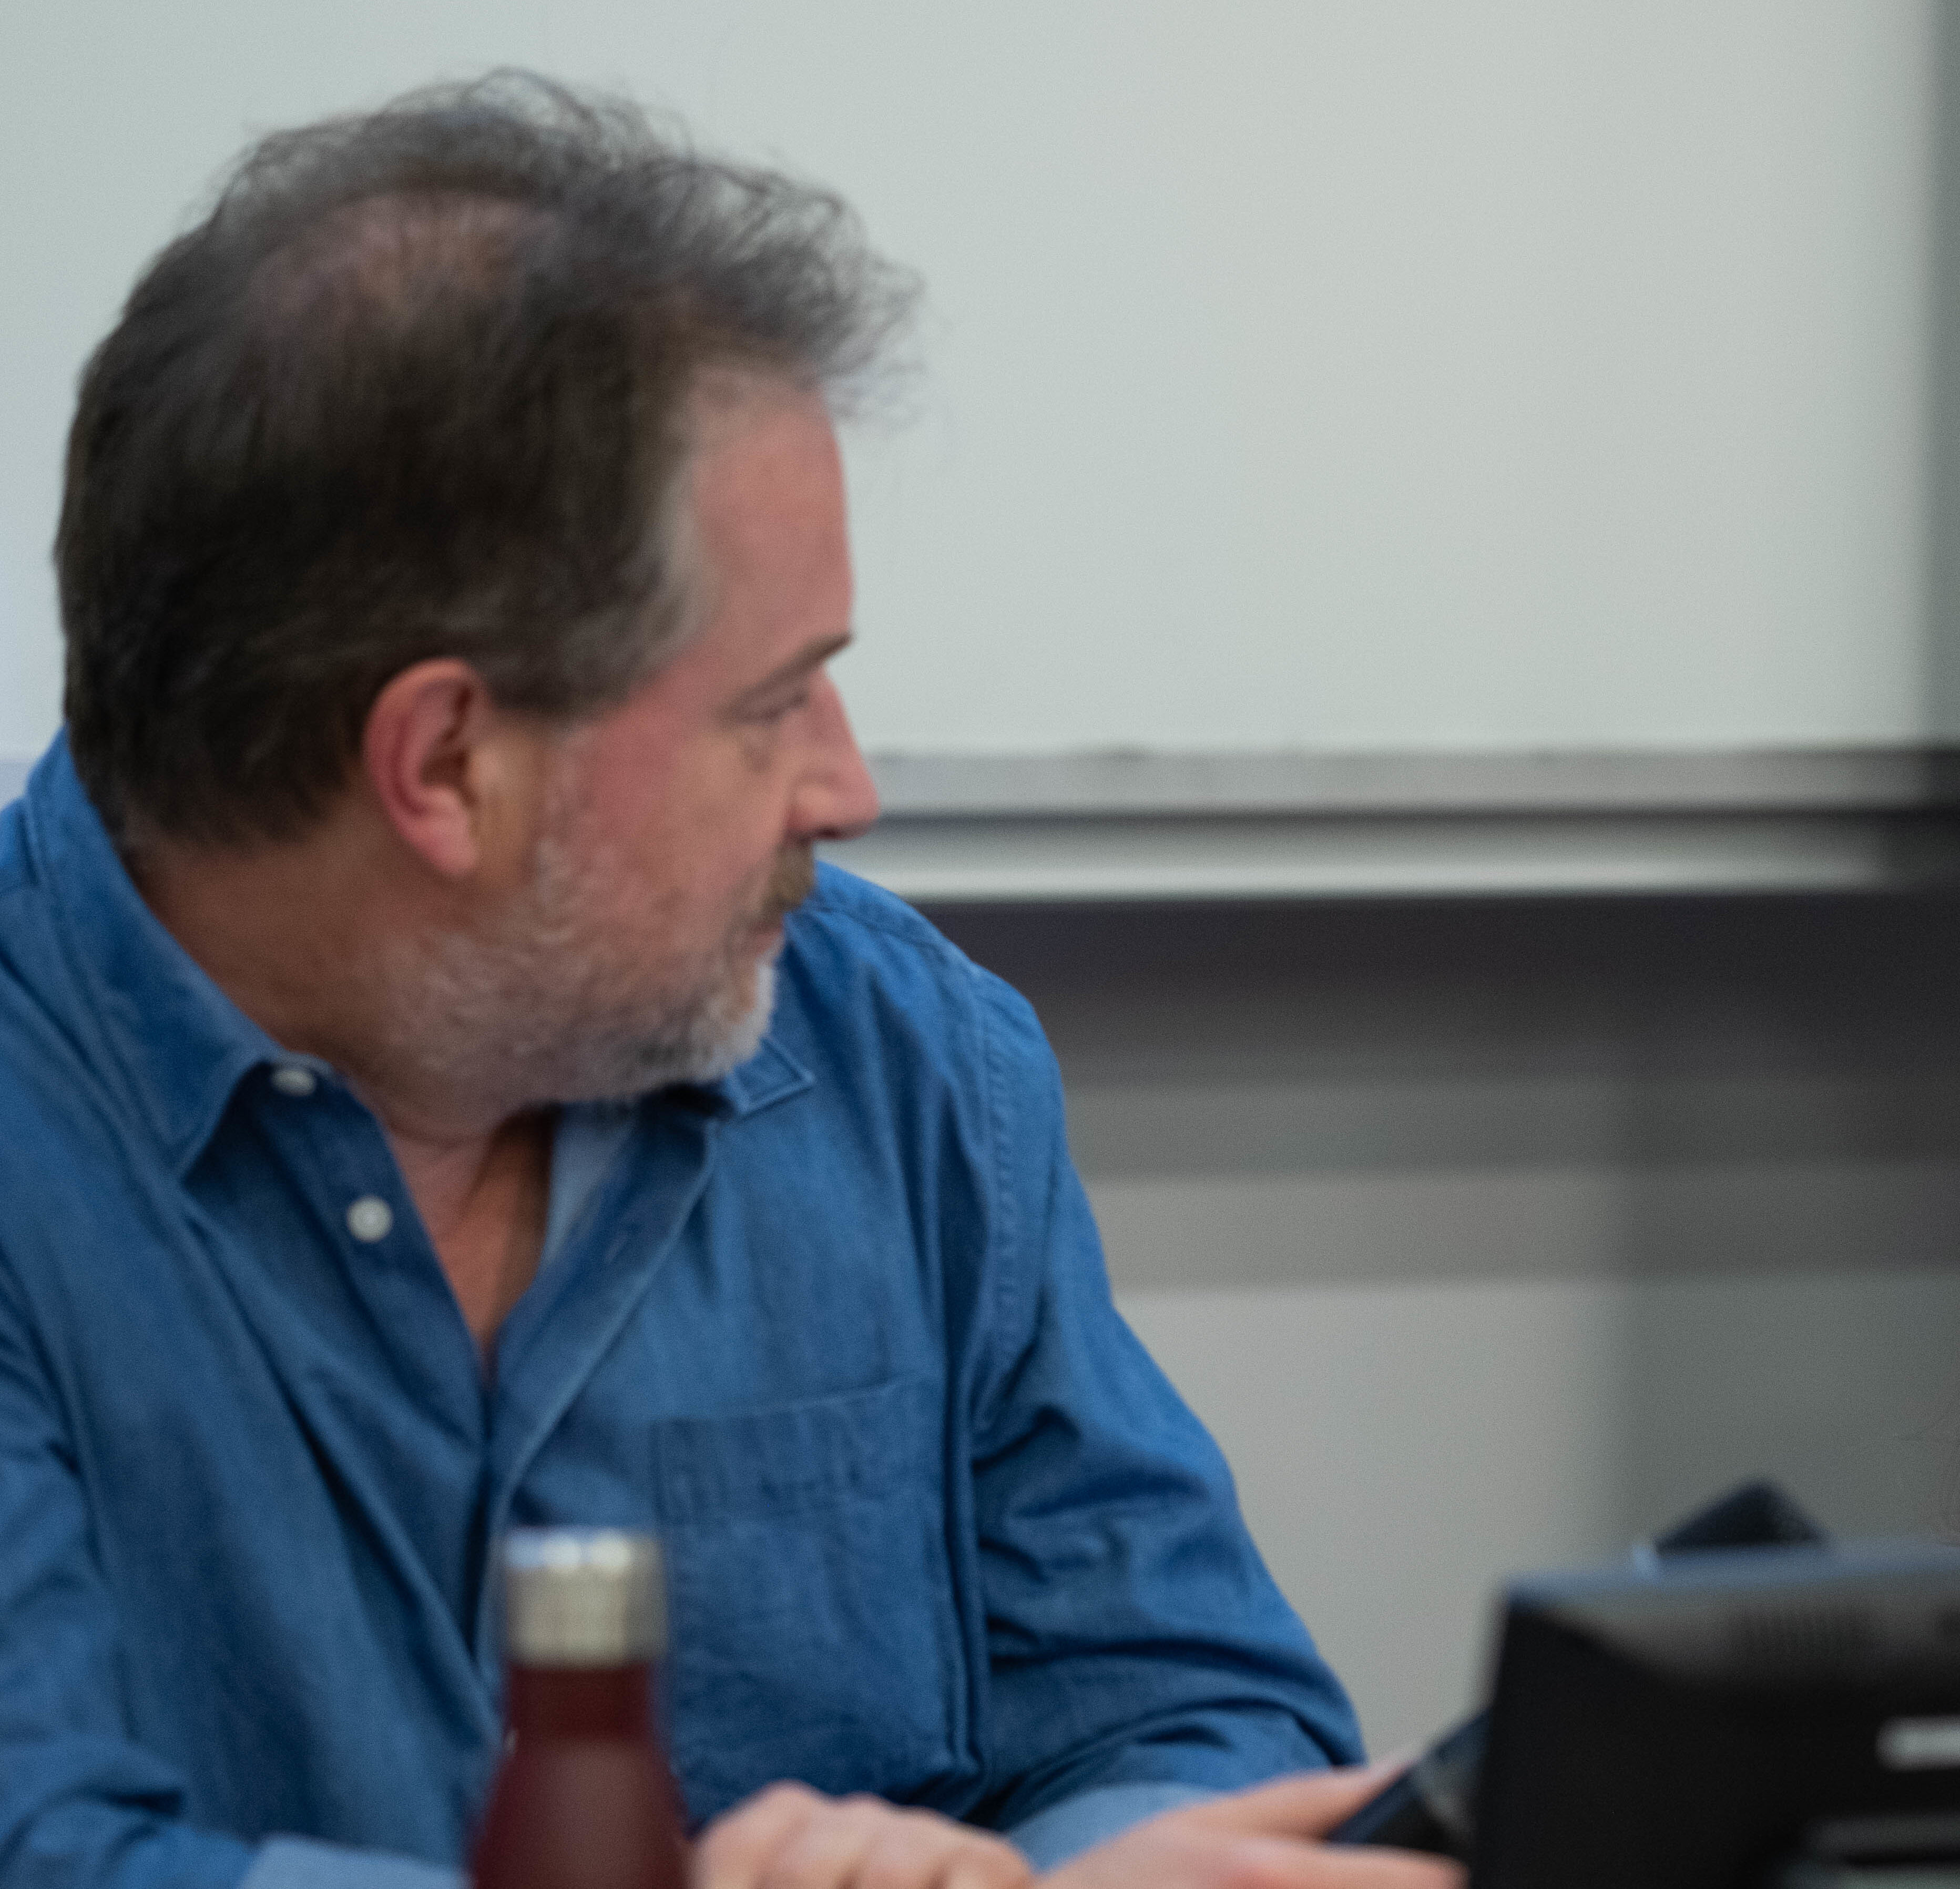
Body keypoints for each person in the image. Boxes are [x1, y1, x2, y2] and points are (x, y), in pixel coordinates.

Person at [0, 76, 1456, 1889]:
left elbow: (1185, 1712)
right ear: (446, 764)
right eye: (772, 704)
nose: (845, 788)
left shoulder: (904, 1061)